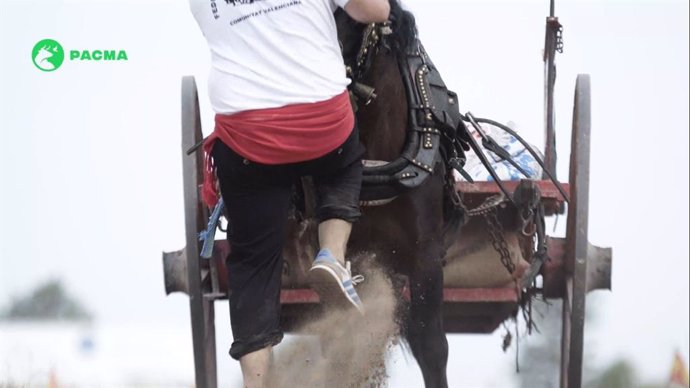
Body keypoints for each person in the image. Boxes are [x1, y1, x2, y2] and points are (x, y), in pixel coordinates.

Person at [188, 0, 390, 386]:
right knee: (346, 161)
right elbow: (376, 10)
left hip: (248, 136)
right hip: (321, 123)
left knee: (251, 263)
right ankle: (331, 254)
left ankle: (257, 382)